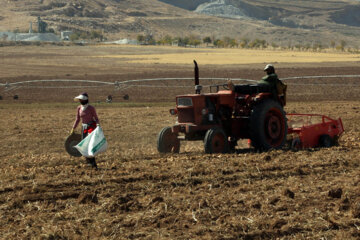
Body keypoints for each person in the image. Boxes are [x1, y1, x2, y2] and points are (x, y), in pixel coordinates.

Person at [70, 92, 99, 169]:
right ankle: (88, 162)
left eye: (81, 100)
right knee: (84, 145)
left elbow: (96, 118)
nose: (80, 101)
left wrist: (98, 126)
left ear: (85, 100)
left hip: (91, 127)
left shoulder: (91, 108)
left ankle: (93, 163)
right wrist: (73, 128)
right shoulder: (79, 108)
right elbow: (78, 119)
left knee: (90, 145)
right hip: (84, 128)